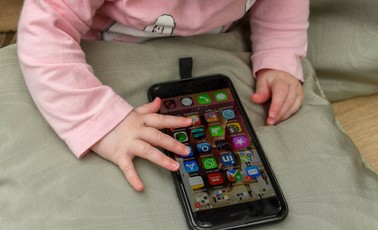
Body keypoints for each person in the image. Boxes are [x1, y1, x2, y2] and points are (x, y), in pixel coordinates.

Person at [17, 0, 309, 191]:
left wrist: (279, 52)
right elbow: (45, 31)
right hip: (108, 47)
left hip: (215, 40)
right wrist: (98, 118)